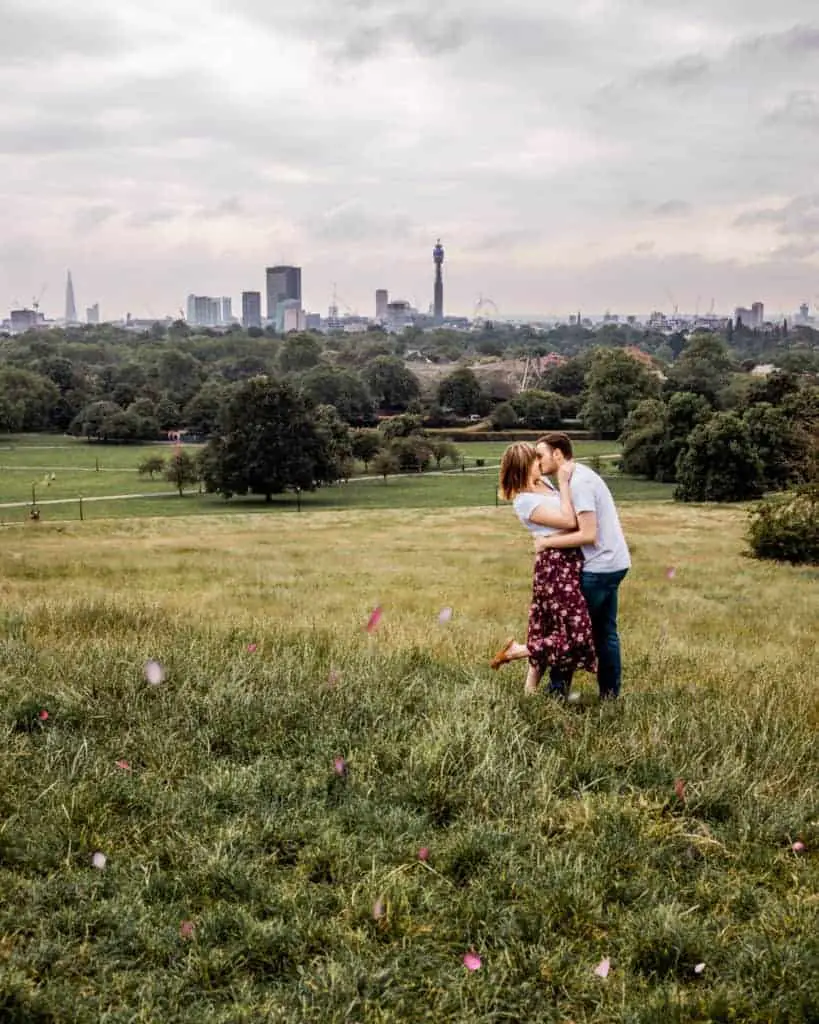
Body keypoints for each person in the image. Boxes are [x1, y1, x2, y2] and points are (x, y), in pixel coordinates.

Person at [491, 442, 597, 695]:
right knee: (576, 634)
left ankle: (530, 690)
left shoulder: (543, 485)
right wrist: (563, 482)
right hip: (555, 567)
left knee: (546, 626)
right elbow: (571, 521)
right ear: (525, 466)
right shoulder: (524, 501)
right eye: (535, 458)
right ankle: (518, 651)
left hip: (568, 561)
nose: (540, 461)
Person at [533, 433, 631, 700]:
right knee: (604, 633)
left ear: (557, 454)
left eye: (540, 455)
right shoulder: (578, 477)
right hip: (614, 562)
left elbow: (588, 534)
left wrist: (547, 543)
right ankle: (610, 696)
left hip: (599, 567)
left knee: (568, 629)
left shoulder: (580, 483)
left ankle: (556, 693)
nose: (537, 461)